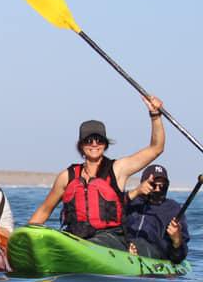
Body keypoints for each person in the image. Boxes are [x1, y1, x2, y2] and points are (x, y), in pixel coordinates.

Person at [28, 95, 165, 249]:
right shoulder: (67, 176)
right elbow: (44, 210)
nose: (94, 144)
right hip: (74, 237)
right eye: (88, 140)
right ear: (81, 145)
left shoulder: (118, 169)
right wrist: (25, 239)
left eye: (99, 140)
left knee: (87, 244)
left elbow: (156, 148)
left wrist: (155, 116)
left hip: (110, 239)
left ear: (105, 144)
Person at [124, 164, 189, 262]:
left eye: (162, 186)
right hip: (123, 243)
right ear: (143, 183)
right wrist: (137, 191)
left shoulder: (173, 208)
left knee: (141, 242)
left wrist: (177, 240)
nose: (158, 189)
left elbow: (179, 255)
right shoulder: (130, 200)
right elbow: (110, 206)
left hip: (152, 251)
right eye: (154, 185)